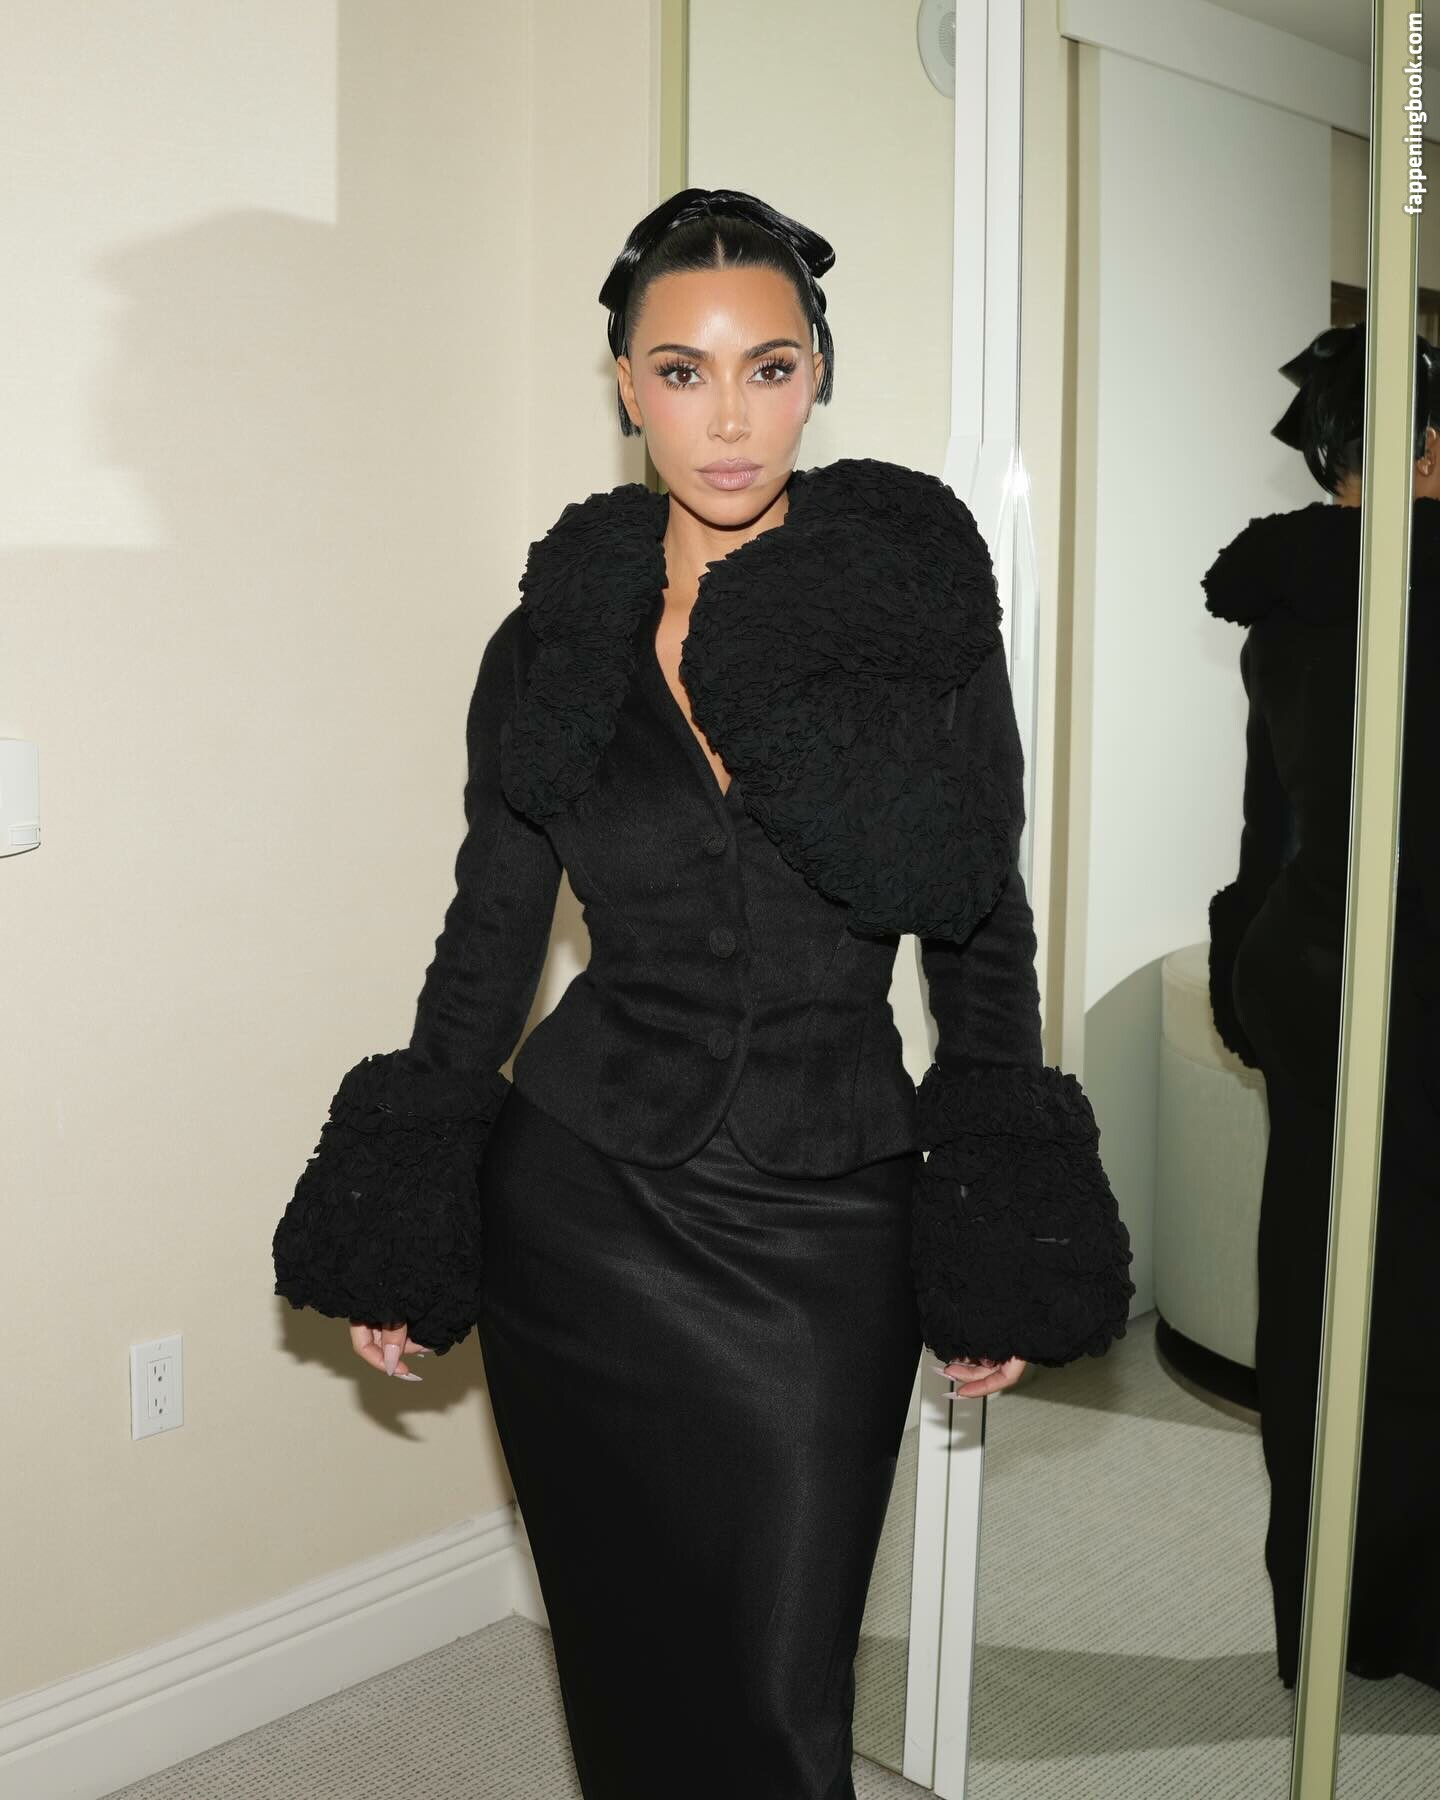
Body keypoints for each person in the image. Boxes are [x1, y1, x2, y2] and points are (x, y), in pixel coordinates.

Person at [272, 187, 1135, 1799]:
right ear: (625, 384)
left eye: (769, 367)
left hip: (828, 1218)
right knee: (625, 1664)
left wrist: (996, 1235)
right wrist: (407, 1216)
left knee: (781, 1697)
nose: (728, 418)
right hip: (577, 1214)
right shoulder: (549, 646)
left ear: (820, 377)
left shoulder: (921, 630)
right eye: (682, 371)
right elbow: (490, 934)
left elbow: (979, 928)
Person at [1203, 321, 1440, 1694]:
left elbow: (1271, 823)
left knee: (1318, 1290)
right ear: (1427, 453)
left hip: (1313, 975)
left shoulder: (1289, 598)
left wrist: (1249, 968)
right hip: (1415, 986)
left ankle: (1333, 1613)